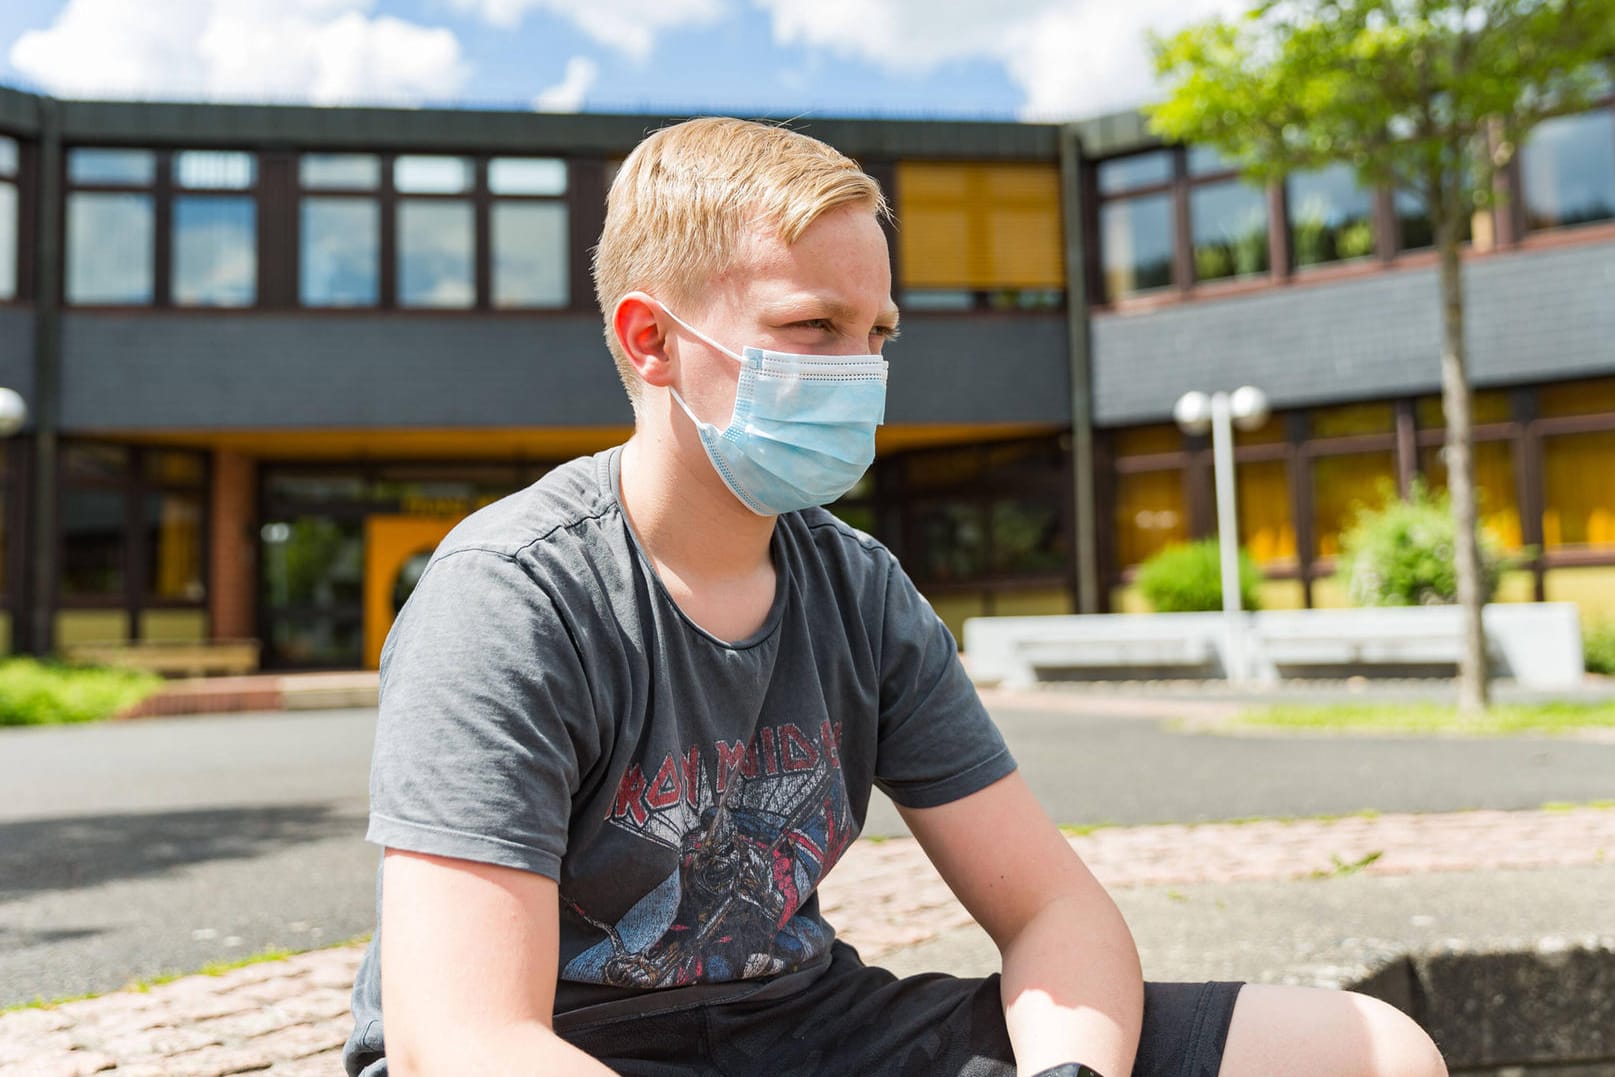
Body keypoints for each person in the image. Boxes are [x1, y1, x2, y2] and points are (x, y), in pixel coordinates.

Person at [343, 117, 1448, 1077]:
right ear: (653, 341)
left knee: (1373, 1053)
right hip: (563, 1050)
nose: (858, 371)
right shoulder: (511, 597)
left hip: (805, 1030)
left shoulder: (858, 591)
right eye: (811, 328)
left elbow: (1052, 909)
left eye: (876, 335)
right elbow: (466, 1042)